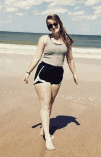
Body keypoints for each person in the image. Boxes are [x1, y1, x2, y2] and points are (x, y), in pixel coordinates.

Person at [23, 14, 78, 150]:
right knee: (45, 105)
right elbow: (36, 56)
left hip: (58, 73)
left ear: (59, 23)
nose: (52, 27)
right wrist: (28, 71)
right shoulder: (44, 39)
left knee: (50, 104)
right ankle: (47, 136)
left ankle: (43, 128)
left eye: (54, 24)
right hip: (44, 72)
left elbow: (70, 59)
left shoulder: (67, 41)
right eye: (49, 25)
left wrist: (74, 74)